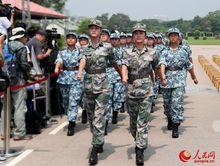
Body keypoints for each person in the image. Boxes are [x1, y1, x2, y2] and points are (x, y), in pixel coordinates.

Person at [77, 19, 120, 165]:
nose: (94, 30)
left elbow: (114, 63)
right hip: (88, 86)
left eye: (97, 28)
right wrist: (79, 72)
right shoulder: (83, 48)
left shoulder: (107, 47)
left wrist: (123, 76)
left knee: (99, 117)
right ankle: (99, 139)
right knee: (90, 117)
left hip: (103, 86)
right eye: (92, 28)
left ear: (101, 31)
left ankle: (95, 149)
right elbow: (82, 60)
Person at [121, 23, 155, 165]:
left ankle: (140, 149)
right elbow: (124, 65)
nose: (139, 35)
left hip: (146, 89)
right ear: (133, 37)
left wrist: (162, 78)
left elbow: (157, 66)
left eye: (141, 33)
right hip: (131, 89)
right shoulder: (127, 52)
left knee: (143, 121)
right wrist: (124, 77)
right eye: (136, 33)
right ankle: (138, 138)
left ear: (145, 36)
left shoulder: (152, 52)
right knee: (134, 122)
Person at [159, 28, 198, 138]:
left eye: (175, 35)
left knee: (177, 103)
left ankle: (176, 126)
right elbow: (162, 63)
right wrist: (162, 76)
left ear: (179, 37)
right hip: (167, 79)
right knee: (167, 104)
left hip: (179, 80)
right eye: (171, 35)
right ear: (168, 37)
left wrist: (194, 77)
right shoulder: (164, 51)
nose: (173, 37)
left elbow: (189, 66)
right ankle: (170, 118)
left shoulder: (183, 51)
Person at [2, 27, 32, 141]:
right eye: (25, 37)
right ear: (22, 37)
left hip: (4, 79)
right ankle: (19, 133)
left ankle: (4, 133)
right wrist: (30, 71)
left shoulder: (4, 44)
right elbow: (24, 65)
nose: (26, 39)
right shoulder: (21, 47)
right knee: (19, 106)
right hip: (17, 79)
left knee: (5, 107)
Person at [54, 32, 84, 136]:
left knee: (73, 101)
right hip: (64, 78)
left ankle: (71, 124)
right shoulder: (62, 51)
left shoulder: (80, 51)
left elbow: (82, 61)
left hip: (76, 78)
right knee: (65, 102)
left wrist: (80, 73)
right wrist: (57, 67)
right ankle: (70, 116)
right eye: (68, 38)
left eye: (73, 38)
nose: (70, 40)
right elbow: (59, 60)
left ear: (76, 40)